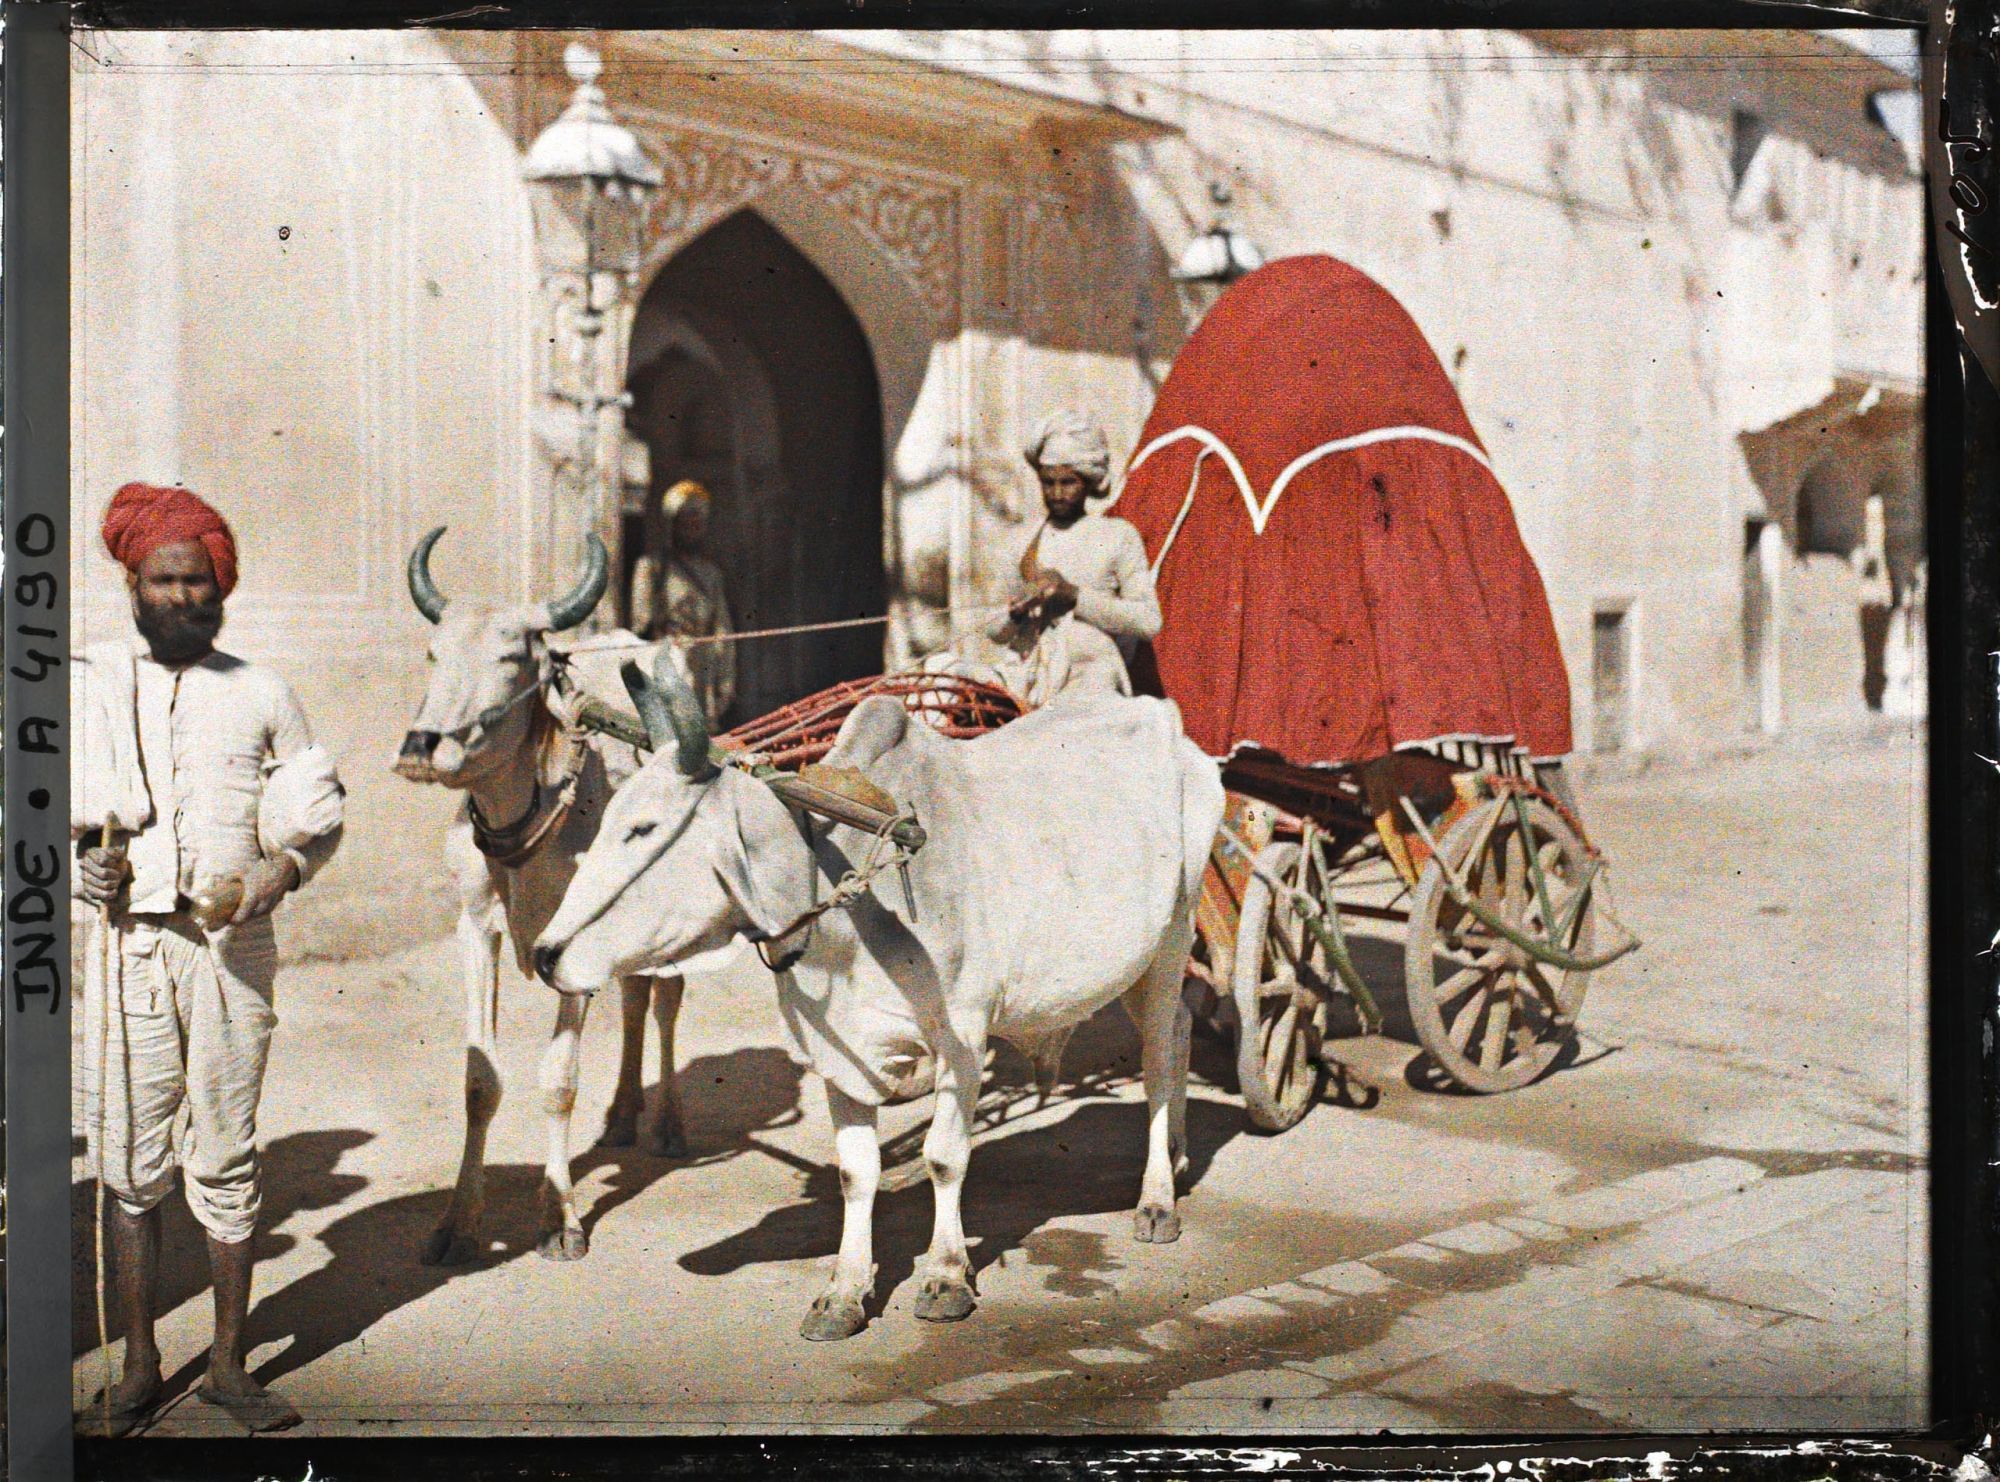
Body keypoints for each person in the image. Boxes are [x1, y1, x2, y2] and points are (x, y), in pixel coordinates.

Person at [73, 483, 345, 1436]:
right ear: (133, 585)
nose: (182, 596)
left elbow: (319, 815)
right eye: (163, 580)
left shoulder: (264, 691)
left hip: (233, 951)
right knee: (128, 1164)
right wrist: (86, 862)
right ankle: (141, 1366)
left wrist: (285, 869)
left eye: (198, 580)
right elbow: (58, 814)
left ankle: (229, 1368)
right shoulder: (94, 688)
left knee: (226, 1156)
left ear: (220, 586)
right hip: (130, 945)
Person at [988, 410, 1162, 704]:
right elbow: (993, 630)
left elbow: (1149, 621)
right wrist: (1015, 612)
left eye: (1068, 483)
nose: (1057, 493)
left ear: (1088, 482)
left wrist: (1074, 597)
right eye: (1048, 482)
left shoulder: (1117, 535)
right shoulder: (1020, 541)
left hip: (1088, 673)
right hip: (1026, 673)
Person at [629, 478, 736, 727]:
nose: (692, 528)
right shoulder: (651, 567)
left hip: (703, 670)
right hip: (667, 661)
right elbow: (640, 625)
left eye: (697, 522)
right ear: (673, 525)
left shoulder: (711, 574)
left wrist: (726, 681)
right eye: (686, 521)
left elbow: (723, 630)